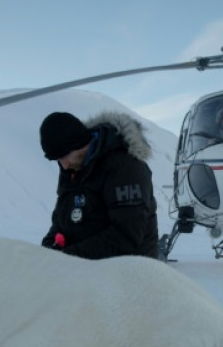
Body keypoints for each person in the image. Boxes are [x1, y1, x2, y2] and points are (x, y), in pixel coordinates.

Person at [39, 111, 159, 259]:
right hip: (83, 266)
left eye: (64, 156)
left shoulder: (125, 167)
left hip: (127, 268)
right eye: (57, 160)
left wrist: (68, 258)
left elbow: (126, 235)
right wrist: (50, 246)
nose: (64, 165)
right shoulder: (72, 167)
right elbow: (62, 217)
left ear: (78, 144)